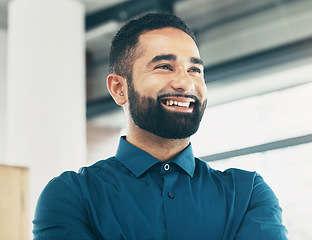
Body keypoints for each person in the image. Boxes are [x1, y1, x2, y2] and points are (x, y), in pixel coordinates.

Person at [33, 12, 288, 239]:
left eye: (195, 70)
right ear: (119, 88)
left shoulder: (247, 195)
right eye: (165, 66)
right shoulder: (72, 196)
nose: (186, 83)